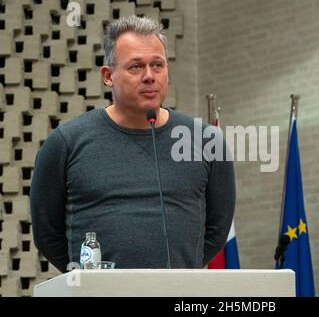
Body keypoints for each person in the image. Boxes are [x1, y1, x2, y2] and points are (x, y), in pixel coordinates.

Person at [30, 15, 235, 272]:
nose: (149, 76)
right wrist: (92, 279)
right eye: (136, 66)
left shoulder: (207, 142)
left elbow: (216, 231)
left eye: (157, 65)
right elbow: (47, 234)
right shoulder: (65, 143)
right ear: (108, 76)